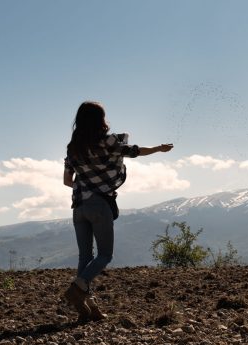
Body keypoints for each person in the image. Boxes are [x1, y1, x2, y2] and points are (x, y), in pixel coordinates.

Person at [63, 101, 173, 320]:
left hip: (78, 206)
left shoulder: (72, 148)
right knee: (105, 255)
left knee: (85, 257)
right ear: (100, 120)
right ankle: (77, 291)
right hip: (99, 205)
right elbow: (136, 151)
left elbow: (68, 181)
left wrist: (87, 177)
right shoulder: (108, 142)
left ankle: (89, 308)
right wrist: (159, 149)